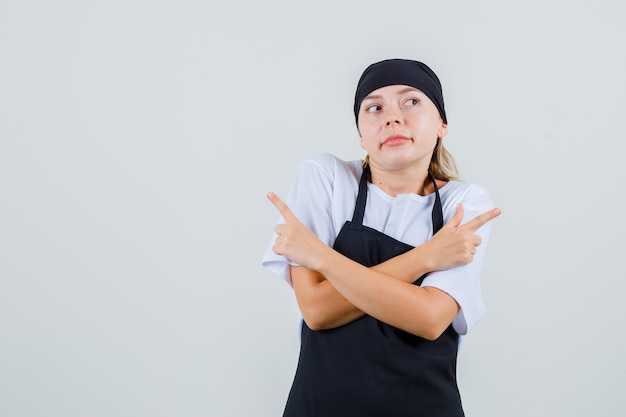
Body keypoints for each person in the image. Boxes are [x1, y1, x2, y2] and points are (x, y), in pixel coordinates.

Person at [262, 58, 501, 417]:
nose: (392, 117)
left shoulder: (465, 203)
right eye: (374, 107)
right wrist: (426, 258)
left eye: (411, 102)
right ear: (361, 134)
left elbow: (430, 318)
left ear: (441, 125)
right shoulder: (326, 177)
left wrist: (321, 257)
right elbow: (316, 310)